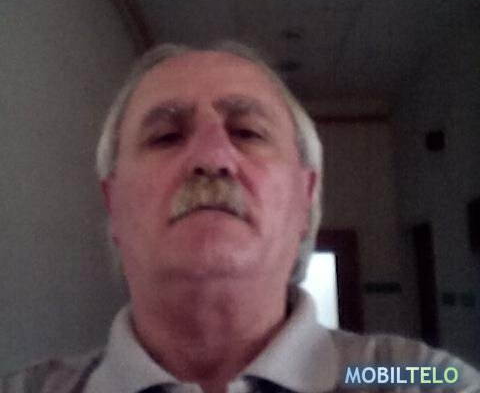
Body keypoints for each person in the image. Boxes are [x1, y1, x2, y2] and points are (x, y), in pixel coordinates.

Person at [2, 41, 479, 393]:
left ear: (305, 196)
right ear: (113, 206)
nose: (212, 157)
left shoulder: (412, 378)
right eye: (166, 136)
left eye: (248, 131)